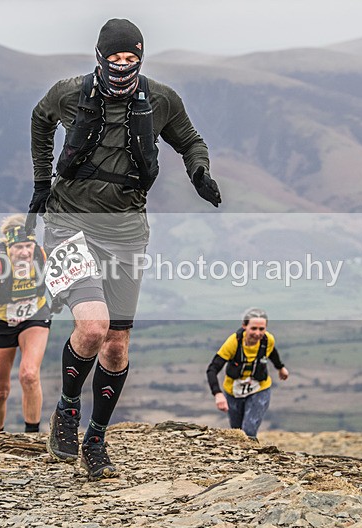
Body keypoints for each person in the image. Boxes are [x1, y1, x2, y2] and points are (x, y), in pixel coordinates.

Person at [26, 18, 222, 479]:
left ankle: (95, 437)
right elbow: (39, 119)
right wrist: (40, 181)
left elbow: (190, 140)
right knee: (92, 327)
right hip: (68, 223)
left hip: (127, 231)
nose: (121, 67)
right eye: (113, 59)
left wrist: (199, 173)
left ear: (140, 57)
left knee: (116, 345)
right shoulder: (69, 93)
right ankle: (68, 409)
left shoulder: (160, 99)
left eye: (130, 59)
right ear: (99, 57)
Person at [0, 214, 52, 433]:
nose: (25, 252)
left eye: (29, 245)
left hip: (33, 316)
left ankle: (32, 435)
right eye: (19, 247)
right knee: (0, 389)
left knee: (29, 374)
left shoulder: (41, 256)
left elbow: (58, 280)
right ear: (9, 246)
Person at [206, 308, 289, 440]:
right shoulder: (233, 343)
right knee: (237, 432)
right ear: (244, 326)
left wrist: (280, 367)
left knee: (249, 430)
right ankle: (240, 458)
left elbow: (271, 352)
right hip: (233, 391)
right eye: (253, 328)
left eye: (262, 329)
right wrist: (218, 394)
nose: (257, 333)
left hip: (260, 388)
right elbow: (212, 369)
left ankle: (252, 458)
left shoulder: (268, 340)